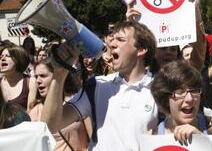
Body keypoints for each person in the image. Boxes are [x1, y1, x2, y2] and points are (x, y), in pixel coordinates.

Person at [40, 21, 158, 150]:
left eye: (120, 39)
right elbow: (50, 125)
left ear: (141, 49)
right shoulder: (96, 85)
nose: (112, 44)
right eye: (112, 39)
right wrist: (60, 73)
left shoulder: (161, 90)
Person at [126, 0, 206, 73]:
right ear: (154, 51)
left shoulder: (185, 76)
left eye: (173, 49)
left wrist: (195, 9)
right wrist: (130, 24)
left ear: (178, 54)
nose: (168, 52)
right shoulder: (141, 77)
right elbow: (130, 54)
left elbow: (198, 54)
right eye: (163, 48)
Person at [150, 60, 212, 145]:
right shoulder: (154, 136)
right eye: (180, 92)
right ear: (166, 99)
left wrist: (201, 140)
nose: (189, 99)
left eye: (194, 91)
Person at [29, 59, 88, 151]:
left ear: (58, 76)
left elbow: (93, 137)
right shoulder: (35, 111)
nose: (38, 81)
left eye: (43, 76)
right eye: (36, 76)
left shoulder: (77, 102)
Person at [0, 44, 36, 110]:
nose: (2, 59)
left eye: (8, 56)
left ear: (19, 59)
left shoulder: (30, 82)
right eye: (1, 56)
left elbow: (31, 112)